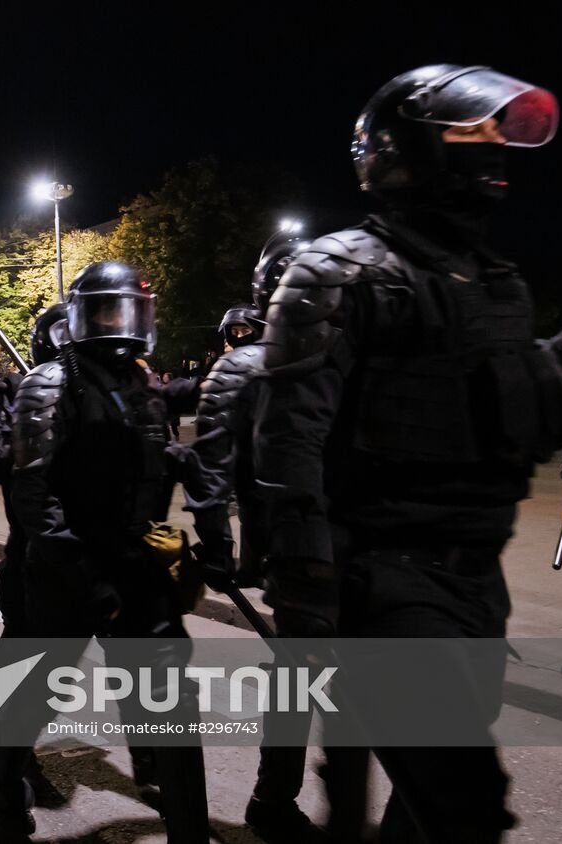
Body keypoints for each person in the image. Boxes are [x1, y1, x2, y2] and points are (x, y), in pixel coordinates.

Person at [255, 65, 562, 844]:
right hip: (385, 584)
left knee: (423, 806)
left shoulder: (497, 285)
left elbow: (526, 413)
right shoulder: (338, 271)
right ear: (409, 146)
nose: (491, 147)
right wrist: (305, 583)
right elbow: (287, 436)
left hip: (477, 581)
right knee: (467, 803)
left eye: (498, 133)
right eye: (471, 130)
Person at [0, 262, 209, 841]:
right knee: (36, 694)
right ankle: (6, 790)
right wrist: (83, 577)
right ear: (84, 317)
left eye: (128, 308)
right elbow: (35, 493)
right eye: (107, 309)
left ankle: (188, 827)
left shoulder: (143, 384)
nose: (119, 321)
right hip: (66, 568)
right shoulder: (52, 383)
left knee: (172, 705)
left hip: (136, 565)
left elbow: (158, 461)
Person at [186, 227, 322, 844]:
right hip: (296, 548)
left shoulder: (355, 357)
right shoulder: (240, 368)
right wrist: (217, 546)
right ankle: (272, 798)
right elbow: (209, 468)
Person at [0, 303, 68, 640]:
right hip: (37, 547)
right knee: (27, 660)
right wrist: (29, 432)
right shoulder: (16, 392)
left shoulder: (108, 391)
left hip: (106, 550)